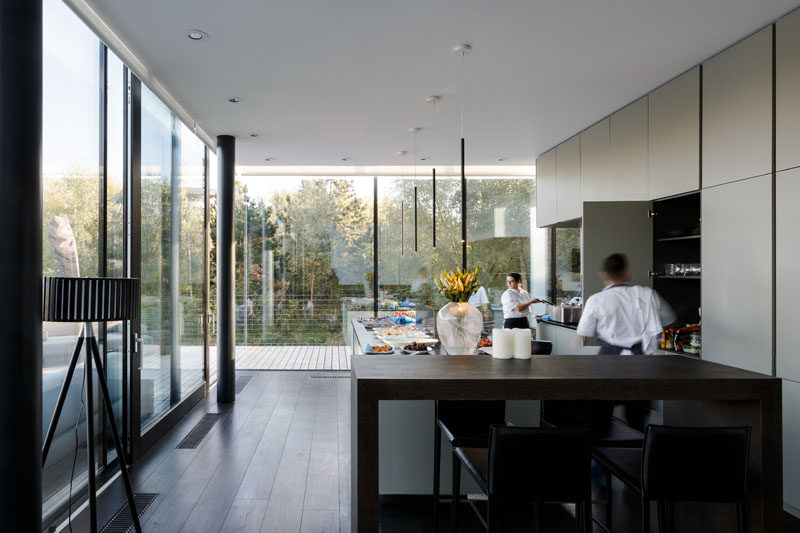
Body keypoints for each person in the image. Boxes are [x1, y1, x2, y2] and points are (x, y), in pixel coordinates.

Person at [576, 253, 675, 355]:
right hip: (640, 356)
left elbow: (583, 334)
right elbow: (669, 320)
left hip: (608, 357)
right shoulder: (649, 294)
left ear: (604, 274)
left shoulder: (595, 300)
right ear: (626, 273)